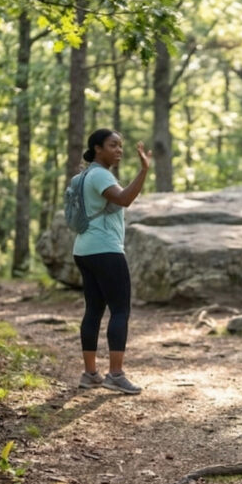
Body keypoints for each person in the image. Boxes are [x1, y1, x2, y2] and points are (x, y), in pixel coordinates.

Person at [73, 128, 150, 395]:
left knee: (93, 309)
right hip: (106, 249)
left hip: (83, 249)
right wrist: (143, 171)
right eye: (112, 145)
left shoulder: (81, 177)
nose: (119, 150)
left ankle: (90, 374)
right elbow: (124, 199)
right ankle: (115, 375)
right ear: (97, 148)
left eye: (121, 145)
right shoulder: (101, 175)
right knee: (120, 310)